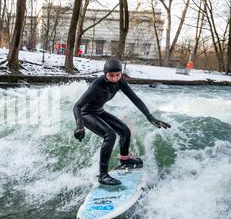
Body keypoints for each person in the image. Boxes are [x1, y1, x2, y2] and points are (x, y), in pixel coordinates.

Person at [73, 57, 171, 186]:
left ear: (121, 74)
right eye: (111, 75)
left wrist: (149, 117)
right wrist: (80, 126)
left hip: (99, 111)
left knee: (125, 131)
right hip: (86, 114)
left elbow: (135, 99)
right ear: (105, 74)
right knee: (110, 135)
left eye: (117, 75)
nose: (114, 78)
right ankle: (103, 175)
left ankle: (125, 160)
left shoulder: (121, 82)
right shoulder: (97, 84)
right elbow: (77, 106)